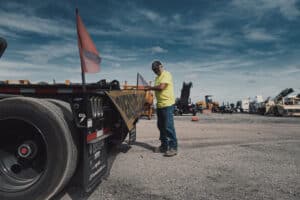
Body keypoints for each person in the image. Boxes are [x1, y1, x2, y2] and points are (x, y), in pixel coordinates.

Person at [147, 60, 178, 157]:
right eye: (154, 70)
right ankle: (164, 146)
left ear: (161, 66)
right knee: (161, 127)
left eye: (156, 69)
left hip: (168, 104)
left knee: (168, 126)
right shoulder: (157, 78)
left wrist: (150, 88)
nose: (155, 71)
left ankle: (173, 148)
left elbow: (161, 87)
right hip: (160, 105)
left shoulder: (166, 74)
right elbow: (157, 89)